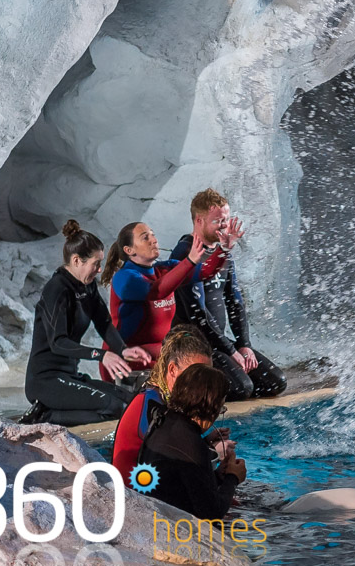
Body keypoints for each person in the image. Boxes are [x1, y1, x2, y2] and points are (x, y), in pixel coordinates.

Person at [23, 220, 153, 426]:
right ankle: (44, 416)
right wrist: (101, 355)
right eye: (96, 263)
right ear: (76, 261)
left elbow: (103, 322)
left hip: (70, 376)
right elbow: (58, 343)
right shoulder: (57, 289)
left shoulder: (87, 286)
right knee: (115, 408)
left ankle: (53, 411)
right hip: (46, 381)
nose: (100, 270)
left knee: (131, 401)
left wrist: (123, 349)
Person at [171, 188, 287, 401]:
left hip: (218, 343)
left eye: (226, 219)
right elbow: (198, 314)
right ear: (199, 221)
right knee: (242, 388)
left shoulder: (222, 253)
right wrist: (231, 351)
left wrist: (243, 345)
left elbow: (235, 302)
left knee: (275, 382)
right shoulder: (185, 253)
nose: (224, 226)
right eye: (218, 221)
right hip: (193, 345)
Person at [99, 221, 224, 379]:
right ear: (129, 250)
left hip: (155, 353)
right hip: (125, 358)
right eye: (145, 237)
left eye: (153, 235)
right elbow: (157, 291)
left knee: (200, 364)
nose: (154, 240)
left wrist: (224, 248)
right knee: (189, 373)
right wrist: (190, 261)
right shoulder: (124, 278)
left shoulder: (165, 269)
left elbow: (205, 272)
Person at [112, 325, 231, 482]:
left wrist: (205, 439)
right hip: (136, 490)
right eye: (195, 374)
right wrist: (210, 451)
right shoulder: (152, 405)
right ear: (173, 369)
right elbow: (166, 456)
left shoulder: (163, 396)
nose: (203, 382)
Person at [137, 363, 247, 519]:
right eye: (221, 408)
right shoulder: (191, 443)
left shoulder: (165, 420)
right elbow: (213, 512)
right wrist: (233, 478)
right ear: (212, 406)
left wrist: (217, 476)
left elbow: (185, 485)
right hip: (173, 526)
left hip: (153, 513)